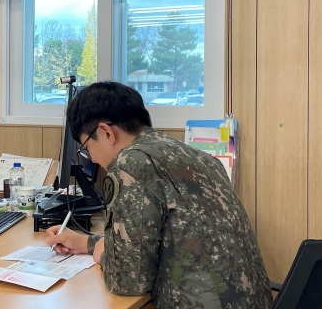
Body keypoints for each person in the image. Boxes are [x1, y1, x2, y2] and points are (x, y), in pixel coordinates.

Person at [45, 81, 271, 308]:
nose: (91, 158)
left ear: (106, 133)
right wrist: (88, 243)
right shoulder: (196, 156)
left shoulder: (131, 164)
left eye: (85, 147)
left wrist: (103, 256)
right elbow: (157, 242)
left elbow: (128, 281)